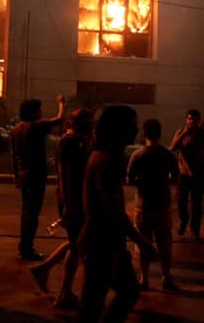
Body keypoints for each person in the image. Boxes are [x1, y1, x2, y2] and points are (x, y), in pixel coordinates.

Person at [78, 104, 159, 323]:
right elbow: (113, 211)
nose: (136, 129)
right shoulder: (107, 161)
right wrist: (143, 242)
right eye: (132, 124)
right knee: (94, 304)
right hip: (102, 242)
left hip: (106, 240)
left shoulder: (103, 156)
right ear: (118, 128)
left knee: (121, 293)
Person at [29, 107, 94, 309]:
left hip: (78, 200)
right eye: (89, 122)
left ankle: (44, 269)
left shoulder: (80, 141)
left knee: (77, 241)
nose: (92, 125)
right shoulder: (69, 143)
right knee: (77, 244)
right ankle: (64, 292)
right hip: (72, 201)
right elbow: (64, 175)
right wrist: (67, 205)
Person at [10, 95, 66, 260]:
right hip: (36, 175)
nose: (41, 112)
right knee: (32, 214)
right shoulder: (36, 126)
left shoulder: (16, 130)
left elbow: (14, 155)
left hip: (24, 175)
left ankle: (24, 246)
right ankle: (27, 248)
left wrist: (16, 176)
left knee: (27, 212)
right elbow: (59, 119)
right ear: (34, 112)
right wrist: (61, 103)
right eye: (39, 109)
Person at [127, 118, 180, 291]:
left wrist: (143, 183)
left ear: (144, 134)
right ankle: (167, 277)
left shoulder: (138, 155)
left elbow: (129, 179)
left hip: (143, 205)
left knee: (144, 242)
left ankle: (144, 279)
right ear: (160, 134)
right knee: (164, 242)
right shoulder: (167, 155)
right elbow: (175, 177)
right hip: (162, 204)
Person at [170, 109, 204, 241]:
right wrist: (183, 134)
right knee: (181, 200)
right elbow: (172, 147)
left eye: (194, 119)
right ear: (186, 120)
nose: (191, 122)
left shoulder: (203, 134)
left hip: (198, 174)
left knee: (197, 204)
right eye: (189, 119)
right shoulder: (181, 132)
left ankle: (195, 230)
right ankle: (184, 220)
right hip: (184, 174)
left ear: (199, 121)